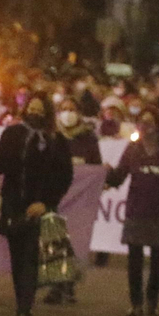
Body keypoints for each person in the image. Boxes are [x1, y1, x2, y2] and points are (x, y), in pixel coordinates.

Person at [0, 92, 72, 316]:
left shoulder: (56, 141)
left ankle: (25, 310)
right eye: (32, 108)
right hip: (14, 205)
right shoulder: (13, 134)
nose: (35, 113)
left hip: (39, 207)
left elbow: (64, 177)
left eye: (40, 109)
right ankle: (22, 306)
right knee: (18, 259)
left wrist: (46, 203)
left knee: (30, 257)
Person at [105, 106, 159, 316]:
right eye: (141, 122)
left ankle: (152, 301)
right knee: (134, 260)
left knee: (158, 260)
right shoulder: (133, 149)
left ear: (158, 126)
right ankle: (136, 303)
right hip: (136, 210)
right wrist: (106, 173)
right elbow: (119, 177)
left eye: (149, 122)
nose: (144, 126)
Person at [46, 99, 103, 305]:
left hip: (79, 201)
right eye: (63, 110)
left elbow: (94, 167)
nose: (67, 113)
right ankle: (54, 285)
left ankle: (68, 285)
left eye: (71, 109)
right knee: (53, 241)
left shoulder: (88, 139)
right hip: (55, 196)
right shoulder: (52, 136)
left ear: (79, 113)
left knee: (73, 243)